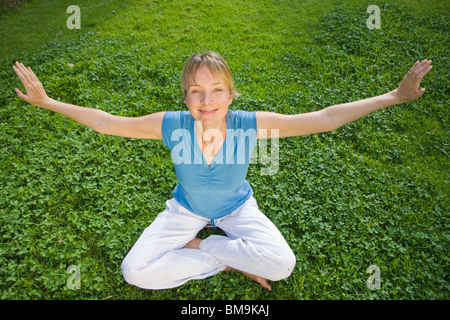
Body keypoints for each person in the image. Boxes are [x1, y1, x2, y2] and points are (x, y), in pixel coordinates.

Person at [12, 52, 432, 291]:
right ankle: (226, 259)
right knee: (133, 271)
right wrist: (48, 102)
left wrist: (393, 96)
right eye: (196, 90)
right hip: (186, 211)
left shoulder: (251, 124)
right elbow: (107, 121)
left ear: (231, 94)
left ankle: (207, 250)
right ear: (186, 96)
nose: (206, 99)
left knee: (283, 265)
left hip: (236, 209)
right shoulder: (171, 124)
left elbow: (325, 117)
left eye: (216, 90)